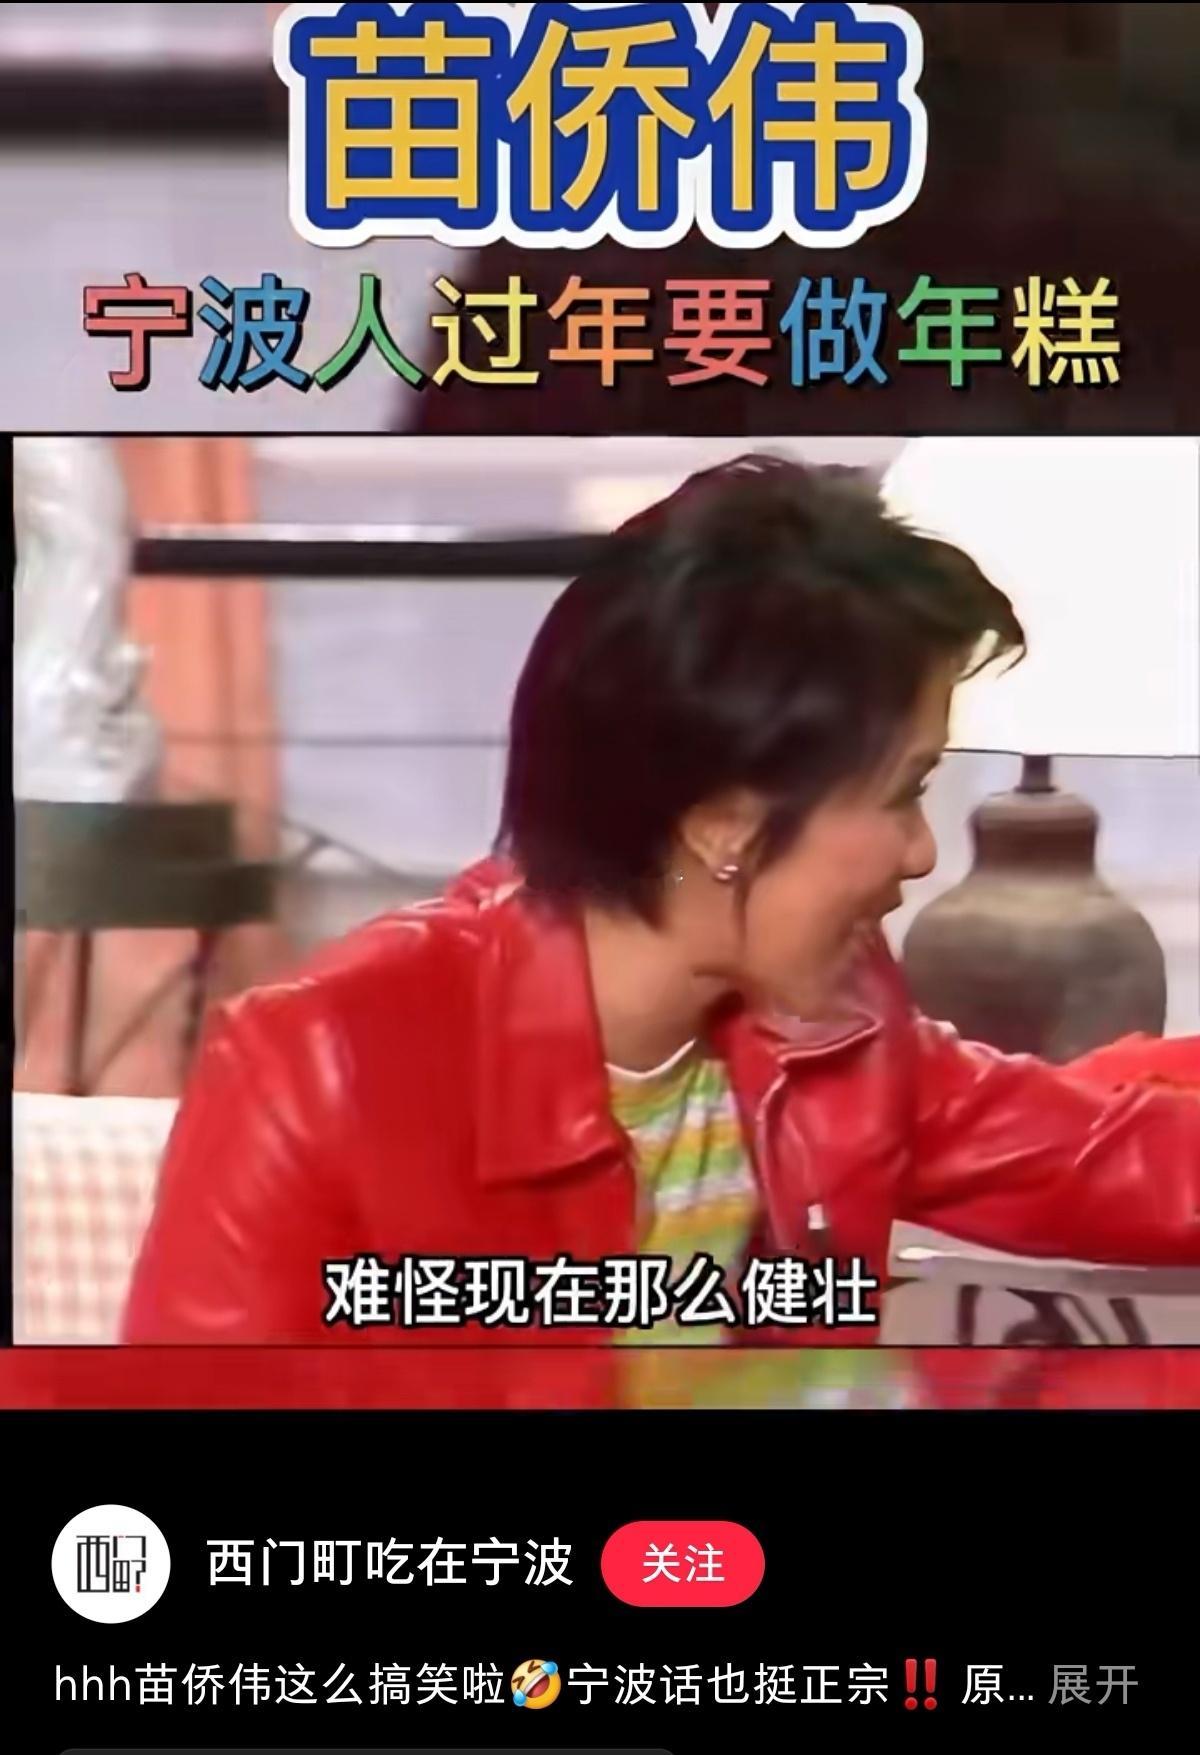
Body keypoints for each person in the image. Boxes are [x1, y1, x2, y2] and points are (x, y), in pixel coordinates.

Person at [122, 457, 1200, 1396]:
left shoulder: (833, 1026)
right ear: (724, 825)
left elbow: (1113, 1159)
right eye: (902, 793)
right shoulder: (320, 1067)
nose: (922, 852)